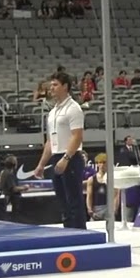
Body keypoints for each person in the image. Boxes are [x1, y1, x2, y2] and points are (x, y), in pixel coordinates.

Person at [32, 72, 88, 229]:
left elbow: (77, 137)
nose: (51, 88)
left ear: (65, 86)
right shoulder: (52, 113)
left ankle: (79, 234)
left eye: (55, 85)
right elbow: (50, 141)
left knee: (74, 200)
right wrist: (41, 164)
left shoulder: (73, 108)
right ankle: (69, 231)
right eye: (51, 85)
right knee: (63, 202)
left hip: (70, 157)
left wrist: (66, 158)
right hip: (57, 157)